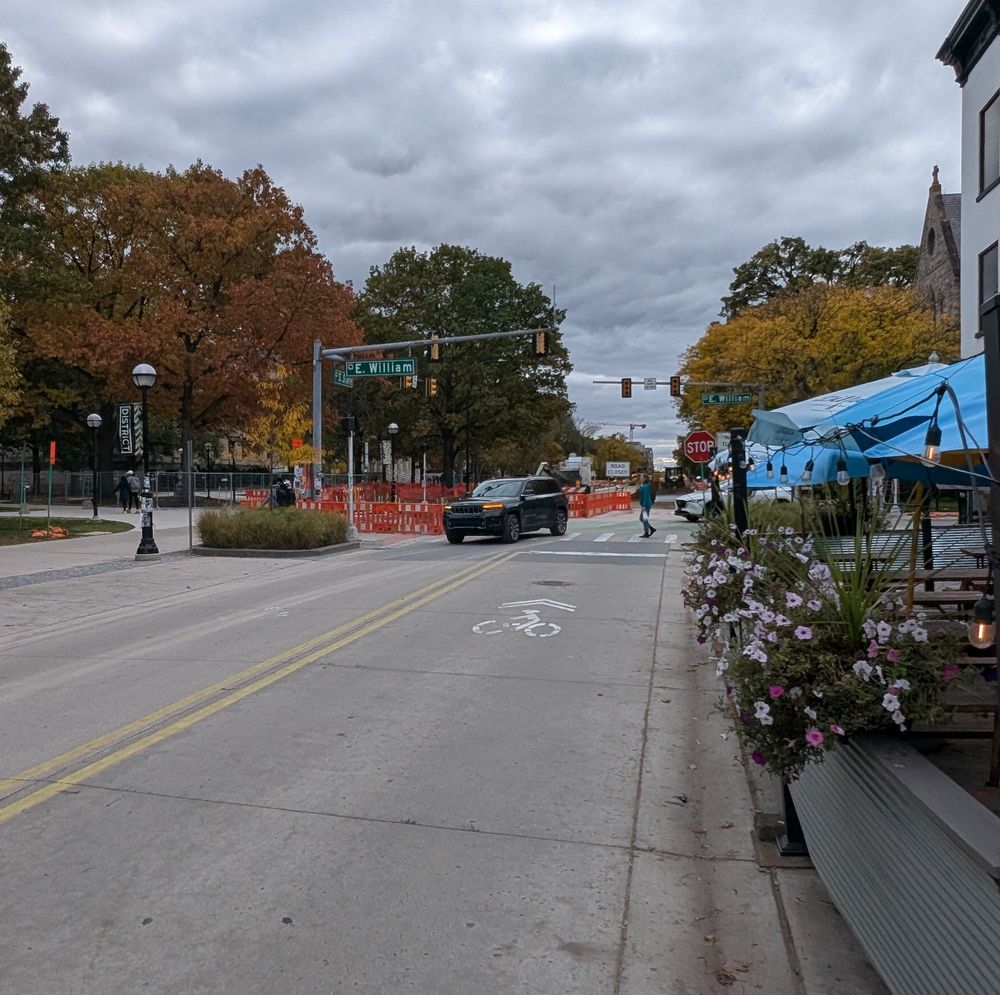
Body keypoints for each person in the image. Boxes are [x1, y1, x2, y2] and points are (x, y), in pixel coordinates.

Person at [638, 473, 656, 537]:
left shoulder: (646, 486)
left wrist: (644, 506)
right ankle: (650, 529)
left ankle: (647, 532)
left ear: (644, 478)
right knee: (642, 518)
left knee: (643, 518)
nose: (640, 478)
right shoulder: (645, 485)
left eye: (641, 477)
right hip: (646, 504)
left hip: (646, 505)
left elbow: (646, 496)